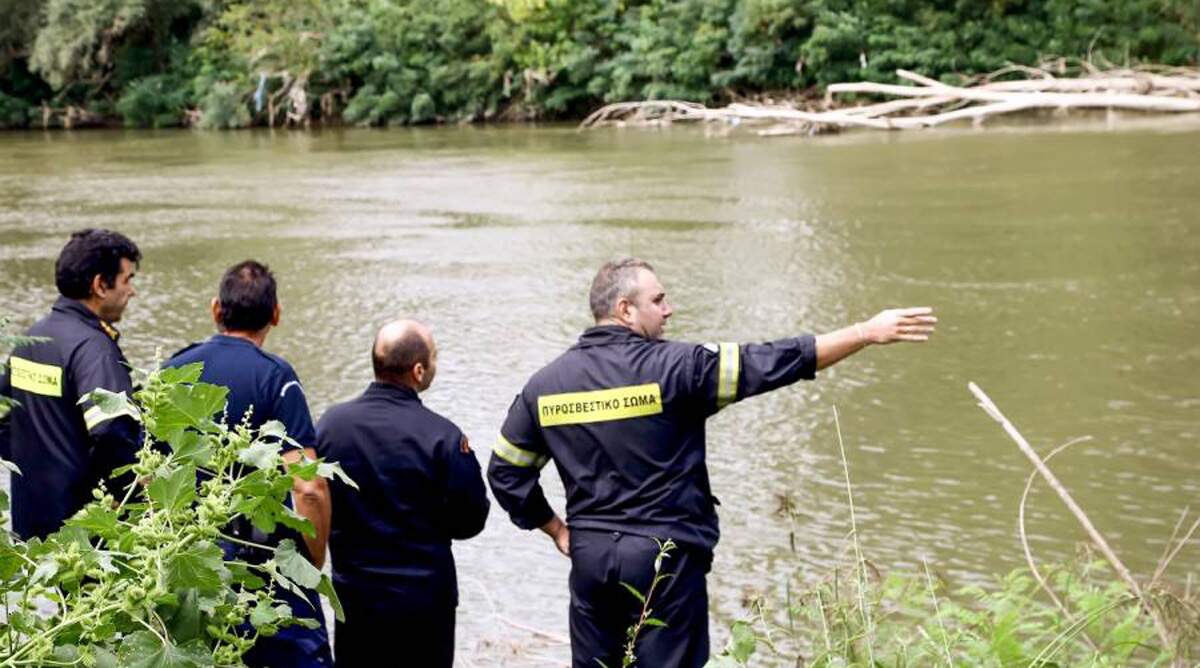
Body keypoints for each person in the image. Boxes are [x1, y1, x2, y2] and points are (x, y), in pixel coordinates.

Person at [487, 258, 937, 668]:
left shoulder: (545, 386)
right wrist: (864, 333)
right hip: (664, 560)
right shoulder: (679, 369)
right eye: (658, 300)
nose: (669, 310)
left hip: (592, 557)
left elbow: (506, 471)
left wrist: (556, 529)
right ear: (625, 310)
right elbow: (775, 361)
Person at [164, 260, 333, 667]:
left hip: (189, 562)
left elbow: (151, 470)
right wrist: (311, 560)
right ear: (275, 314)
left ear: (215, 309)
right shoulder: (277, 378)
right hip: (264, 564)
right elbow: (308, 485)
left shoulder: (174, 368)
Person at [316, 319, 489, 668]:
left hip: (356, 596)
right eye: (435, 358)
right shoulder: (442, 436)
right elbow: (471, 520)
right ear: (419, 370)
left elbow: (313, 497)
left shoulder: (331, 426)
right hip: (425, 602)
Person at [0, 229, 141, 540]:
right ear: (100, 285)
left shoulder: (30, 339)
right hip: (81, 540)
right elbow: (111, 431)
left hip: (30, 529)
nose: (132, 291)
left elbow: (4, 420)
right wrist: (126, 495)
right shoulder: (95, 349)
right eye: (128, 279)